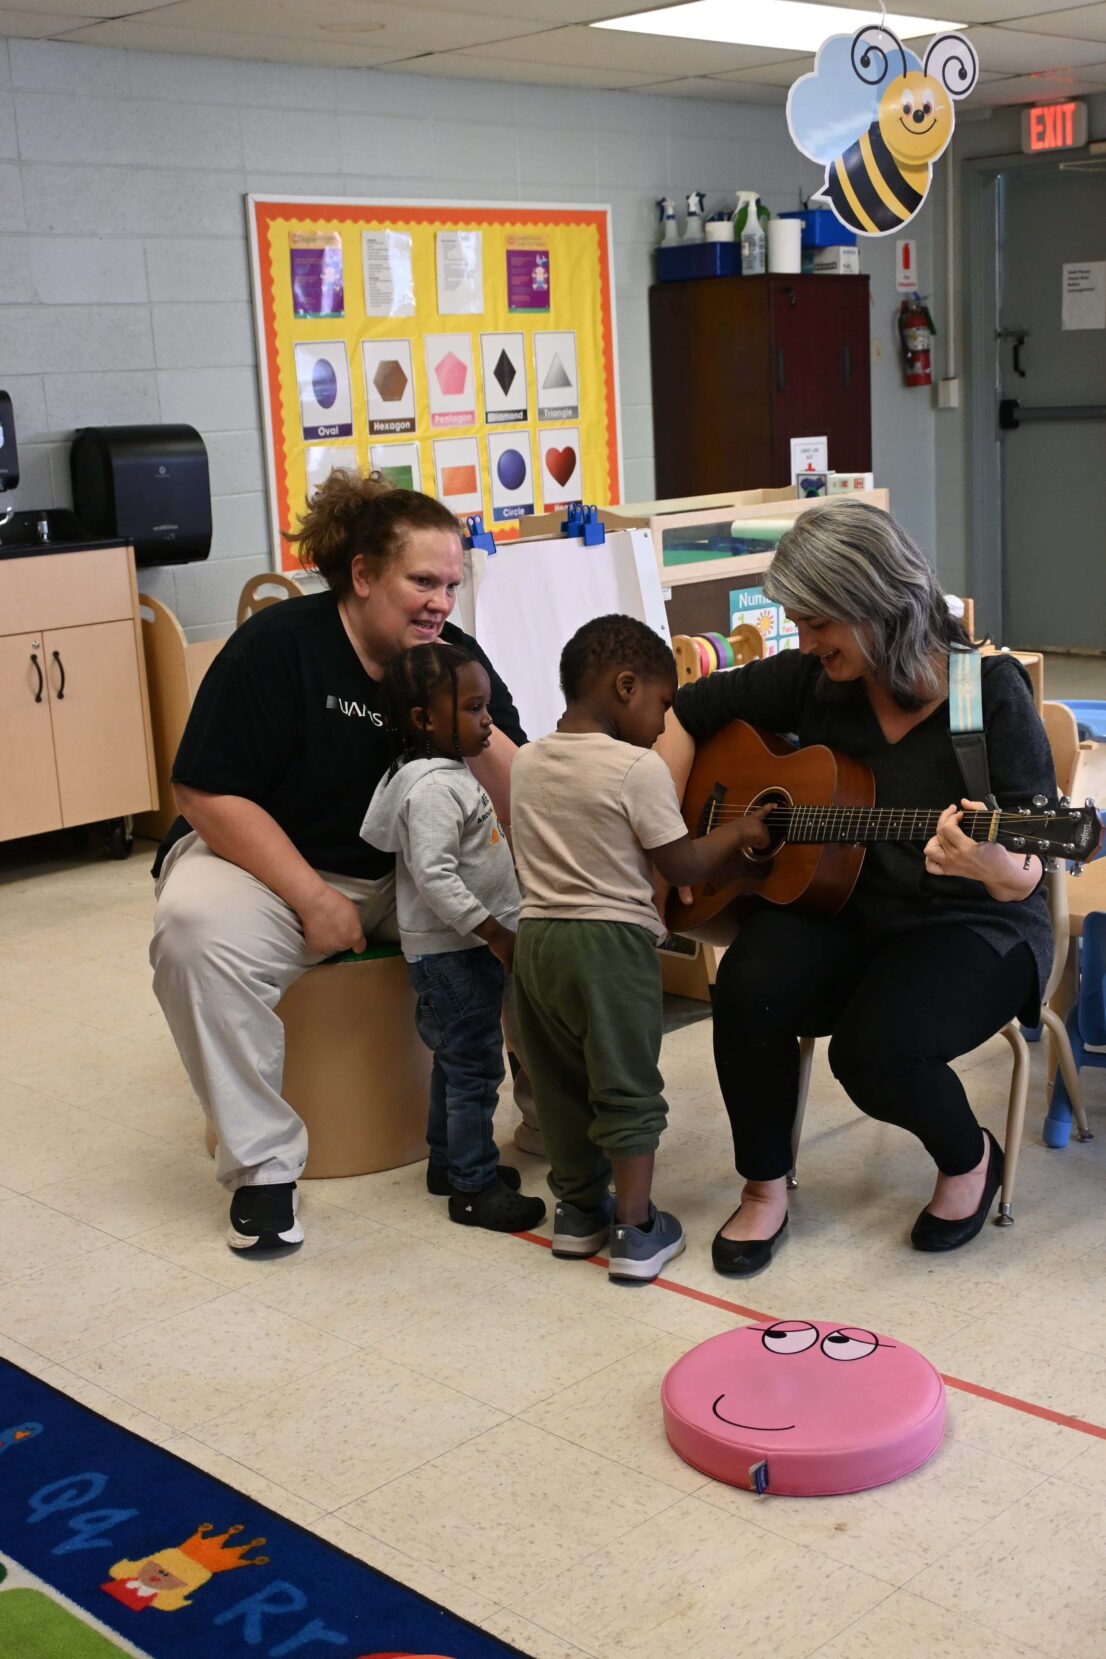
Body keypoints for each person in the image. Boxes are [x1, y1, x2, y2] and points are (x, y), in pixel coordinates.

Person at [657, 502, 1056, 1276]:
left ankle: (971, 1158)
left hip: (974, 921)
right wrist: (671, 852)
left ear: (876, 604)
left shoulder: (987, 692)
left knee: (877, 1050)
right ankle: (765, 1186)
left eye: (816, 624)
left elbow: (1030, 869)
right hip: (844, 904)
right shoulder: (818, 681)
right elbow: (681, 714)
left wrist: (994, 863)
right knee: (748, 985)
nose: (804, 644)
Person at [150, 472, 532, 1253]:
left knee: (545, 911)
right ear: (362, 576)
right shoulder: (281, 644)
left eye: (452, 585)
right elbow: (204, 788)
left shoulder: (454, 657)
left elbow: (520, 795)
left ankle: (549, 1114)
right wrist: (312, 897)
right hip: (270, 863)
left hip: (411, 874)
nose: (440, 602)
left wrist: (472, 717)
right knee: (192, 931)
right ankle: (262, 1169)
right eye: (422, 581)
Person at [510, 615, 771, 1284]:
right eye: (662, 701)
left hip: (536, 942)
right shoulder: (637, 768)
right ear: (626, 685)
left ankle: (577, 1216)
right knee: (626, 1083)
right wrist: (740, 832)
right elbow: (681, 865)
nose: (663, 721)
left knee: (563, 1084)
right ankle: (636, 1229)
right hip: (610, 944)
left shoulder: (528, 760)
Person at [361, 641, 547, 1233]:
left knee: (455, 1064)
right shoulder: (435, 789)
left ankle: (448, 1163)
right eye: (472, 707)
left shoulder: (438, 772)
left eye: (486, 705)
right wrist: (494, 932)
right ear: (424, 720)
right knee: (474, 1072)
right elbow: (434, 874)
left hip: (460, 952)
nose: (487, 719)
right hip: (457, 954)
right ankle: (473, 1187)